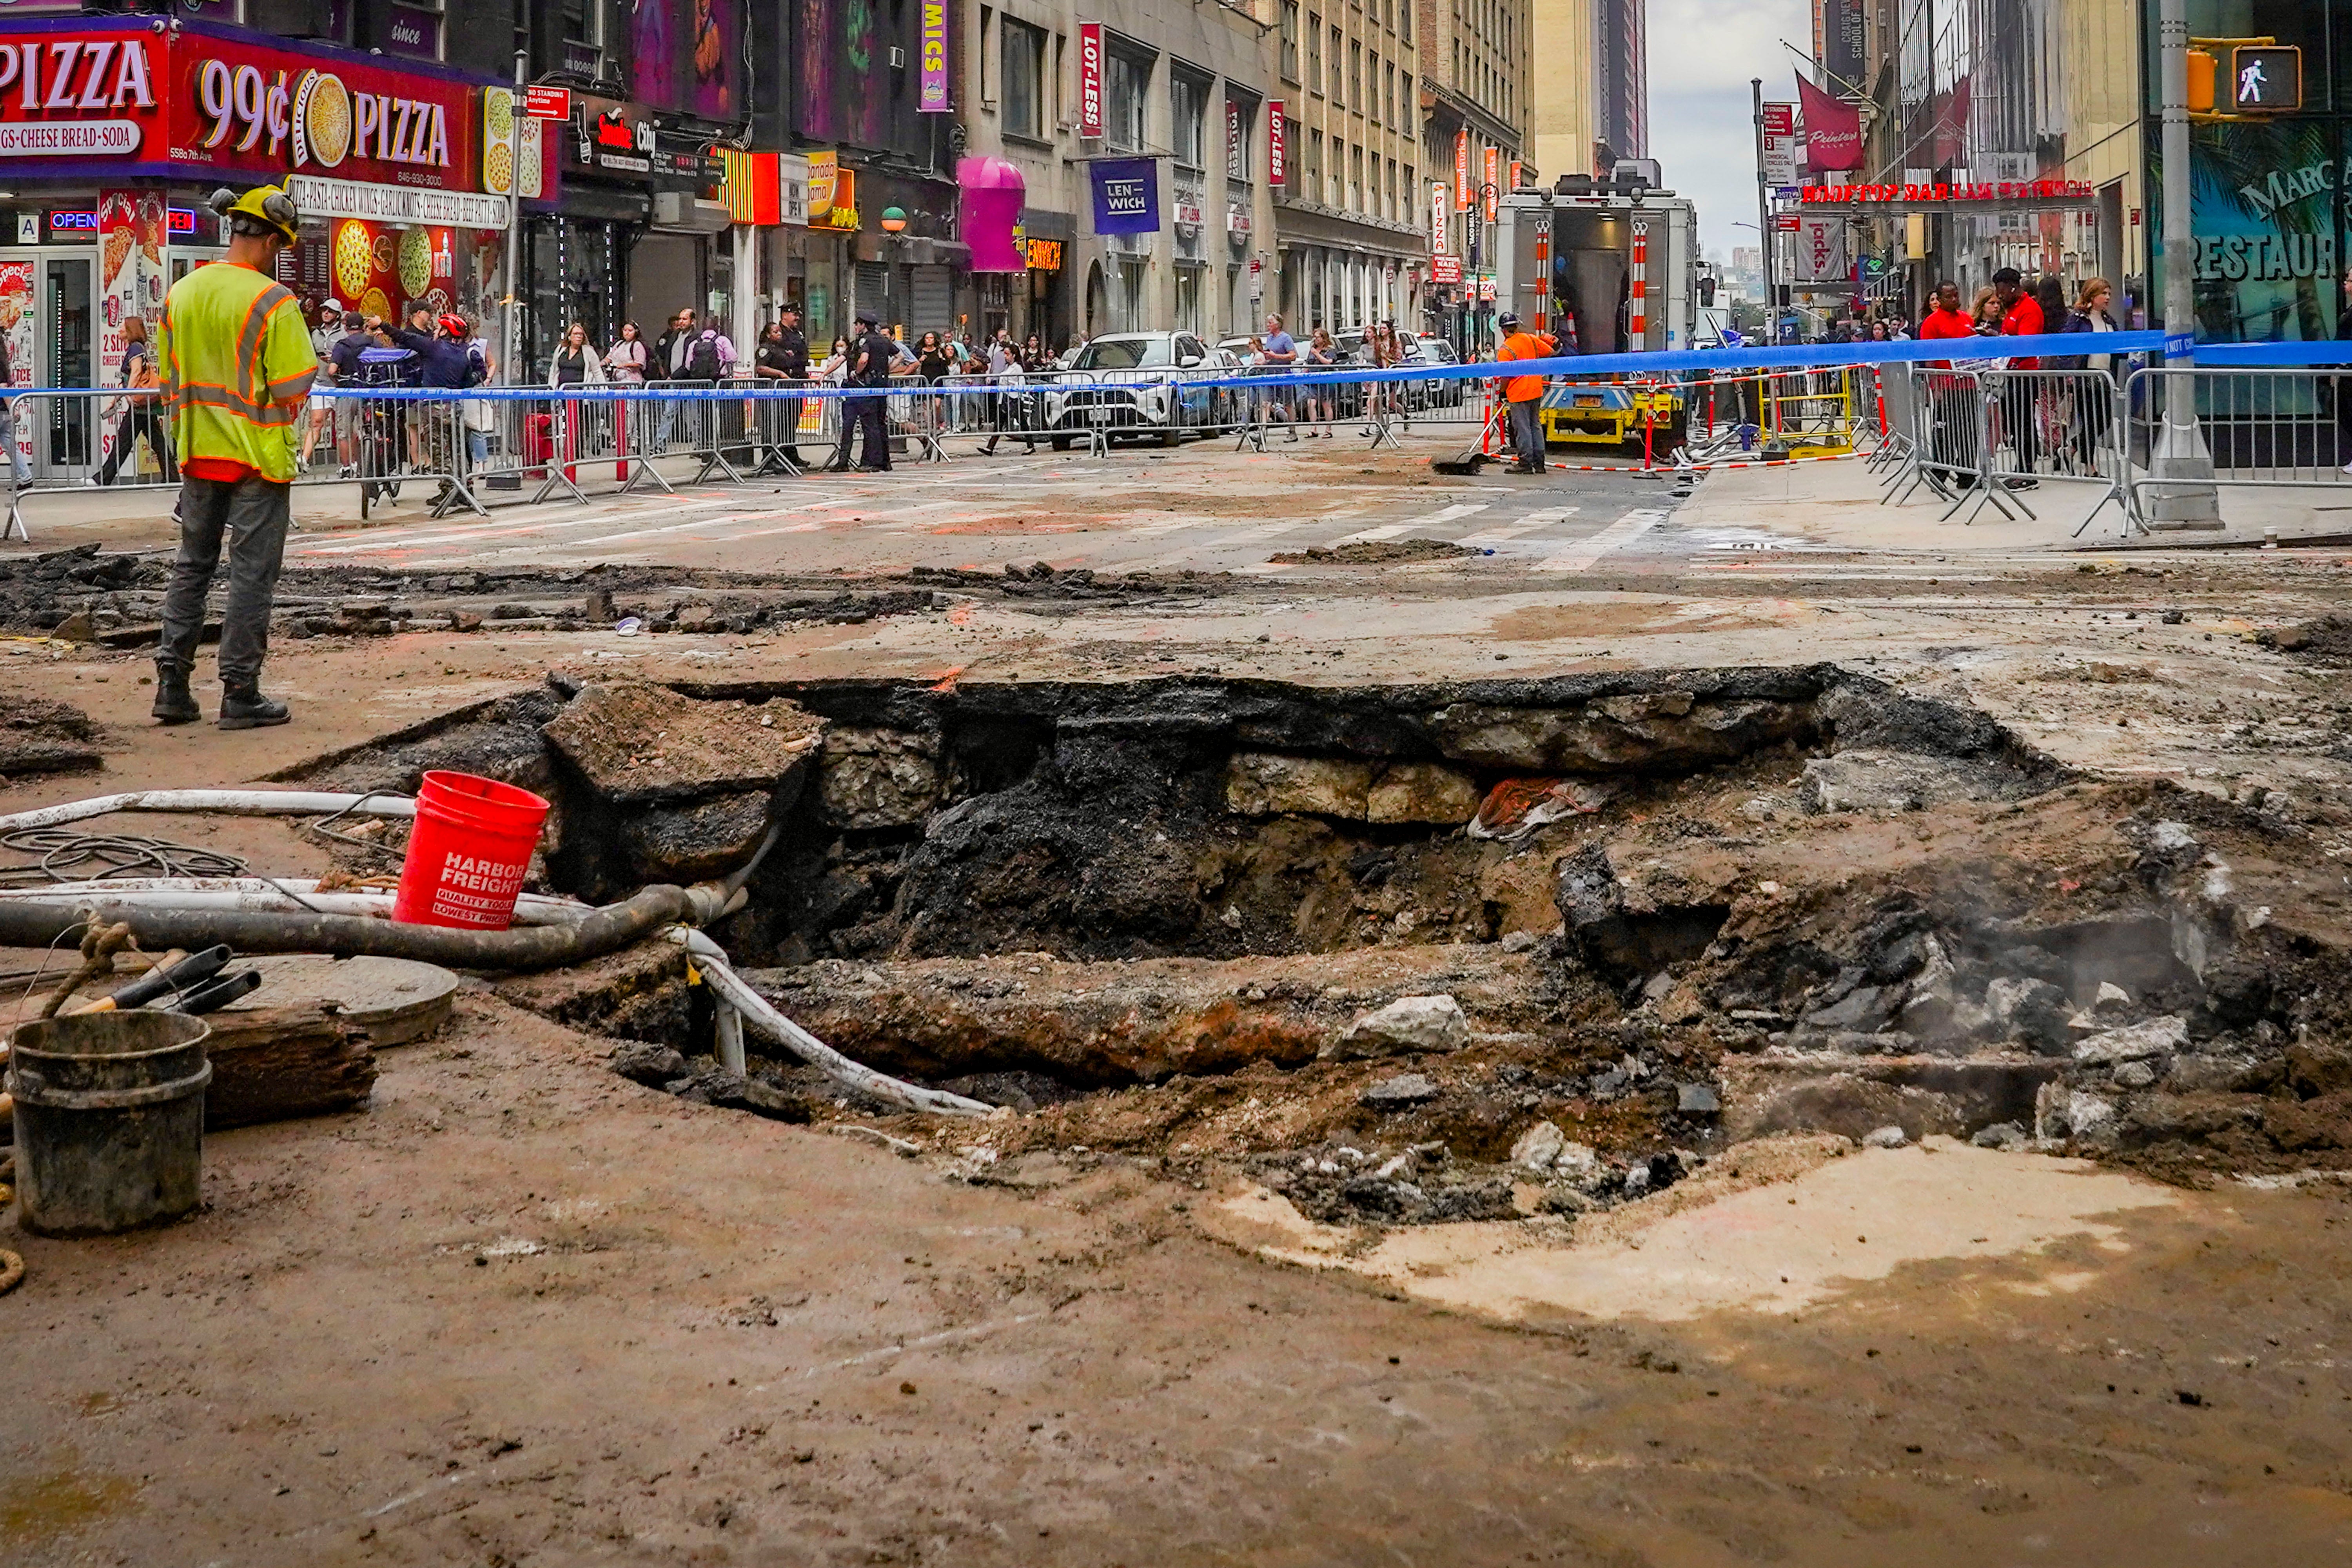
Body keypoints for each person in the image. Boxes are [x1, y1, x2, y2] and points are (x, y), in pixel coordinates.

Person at [152, 183, 315, 730]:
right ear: (270, 240)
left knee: (192, 567)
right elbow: (293, 386)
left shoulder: (182, 293)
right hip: (258, 460)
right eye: (282, 247)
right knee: (250, 576)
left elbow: (169, 378)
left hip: (199, 453)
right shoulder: (273, 301)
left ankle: (172, 686)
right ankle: (240, 692)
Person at [384, 310, 482, 505]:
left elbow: (404, 337)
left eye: (439, 328)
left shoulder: (433, 348)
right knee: (459, 449)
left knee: (439, 450)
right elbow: (467, 382)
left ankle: (448, 491)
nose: (436, 331)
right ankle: (465, 489)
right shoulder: (463, 354)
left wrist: (382, 325)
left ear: (446, 331)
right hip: (455, 408)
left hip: (433, 408)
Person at [91, 316, 178, 486]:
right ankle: (171, 476)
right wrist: (116, 400)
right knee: (157, 442)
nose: (119, 330)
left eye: (122, 327)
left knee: (123, 442)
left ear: (130, 330)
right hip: (143, 405)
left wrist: (128, 394)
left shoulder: (135, 349)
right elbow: (128, 378)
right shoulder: (136, 348)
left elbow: (136, 372)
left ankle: (103, 478)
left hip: (138, 405)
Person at [1916, 279, 1983, 485]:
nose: (1954, 300)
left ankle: (1967, 473)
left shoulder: (1966, 319)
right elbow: (1929, 358)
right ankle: (1940, 472)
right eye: (1949, 297)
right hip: (1946, 387)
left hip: (1968, 385)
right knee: (1945, 431)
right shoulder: (1932, 323)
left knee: (1969, 431)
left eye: (1956, 295)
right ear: (1939, 299)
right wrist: (1934, 387)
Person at [1991, 265, 2043, 485]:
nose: (1999, 296)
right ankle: (2020, 467)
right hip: (2011, 374)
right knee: (2013, 423)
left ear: (2013, 288)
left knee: (2023, 423)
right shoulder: (2012, 310)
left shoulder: (2029, 310)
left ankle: (2026, 470)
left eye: (2001, 291)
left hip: (2024, 374)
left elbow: (2025, 345)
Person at [828, 310, 895, 472]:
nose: (855, 328)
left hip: (865, 388)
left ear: (863, 325)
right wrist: (887, 370)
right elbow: (899, 356)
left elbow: (863, 359)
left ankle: (872, 462)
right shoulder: (883, 340)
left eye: (857, 325)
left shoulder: (865, 341)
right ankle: (884, 461)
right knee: (880, 423)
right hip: (881, 386)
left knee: (870, 424)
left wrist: (857, 373)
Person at [1495, 311, 1557, 474]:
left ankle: (1525, 463)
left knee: (1523, 428)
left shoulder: (1506, 349)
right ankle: (1539, 463)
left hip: (1519, 393)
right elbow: (1550, 352)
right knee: (1535, 426)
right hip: (1536, 389)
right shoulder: (1530, 339)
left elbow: (1506, 375)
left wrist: (1502, 392)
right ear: (1517, 326)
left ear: (1503, 330)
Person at [982, 329, 1027, 456]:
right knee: (999, 423)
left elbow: (1021, 383)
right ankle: (990, 448)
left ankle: (1031, 444)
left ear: (1014, 355)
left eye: (1008, 354)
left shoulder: (1017, 368)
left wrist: (1012, 387)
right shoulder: (1007, 367)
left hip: (1014, 399)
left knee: (1022, 422)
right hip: (1005, 399)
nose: (1005, 357)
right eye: (1005, 354)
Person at [1260, 313, 1298, 436]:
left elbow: (1293, 356)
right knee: (1265, 404)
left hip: (1284, 375)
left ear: (1278, 324)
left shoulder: (1286, 338)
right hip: (1271, 375)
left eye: (1270, 323)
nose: (1268, 325)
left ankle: (1293, 431)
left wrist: (1276, 356)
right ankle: (1262, 431)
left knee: (1288, 405)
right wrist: (1265, 361)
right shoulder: (1270, 338)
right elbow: (1270, 354)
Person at [0, 325, 27, 486]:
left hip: (3, 410)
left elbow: (2, 388)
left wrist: (13, 408)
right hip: (4, 413)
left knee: (11, 446)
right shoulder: (3, 362)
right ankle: (26, 477)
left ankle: (25, 477)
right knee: (11, 446)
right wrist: (13, 410)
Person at [1303, 327, 1338, 437]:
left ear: (1324, 338)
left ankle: (1328, 430)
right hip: (1314, 380)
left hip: (1326, 380)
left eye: (1318, 337)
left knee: (1326, 405)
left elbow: (1328, 362)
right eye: (1314, 337)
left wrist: (1317, 354)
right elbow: (1309, 363)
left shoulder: (1330, 350)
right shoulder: (1313, 349)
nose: (1315, 339)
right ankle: (1314, 428)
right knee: (1311, 403)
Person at [603, 320, 649, 384]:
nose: (627, 333)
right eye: (625, 331)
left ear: (636, 332)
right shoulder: (619, 344)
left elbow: (639, 363)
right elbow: (609, 357)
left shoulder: (637, 345)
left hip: (632, 381)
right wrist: (602, 363)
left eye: (630, 331)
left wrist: (624, 365)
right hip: (616, 380)